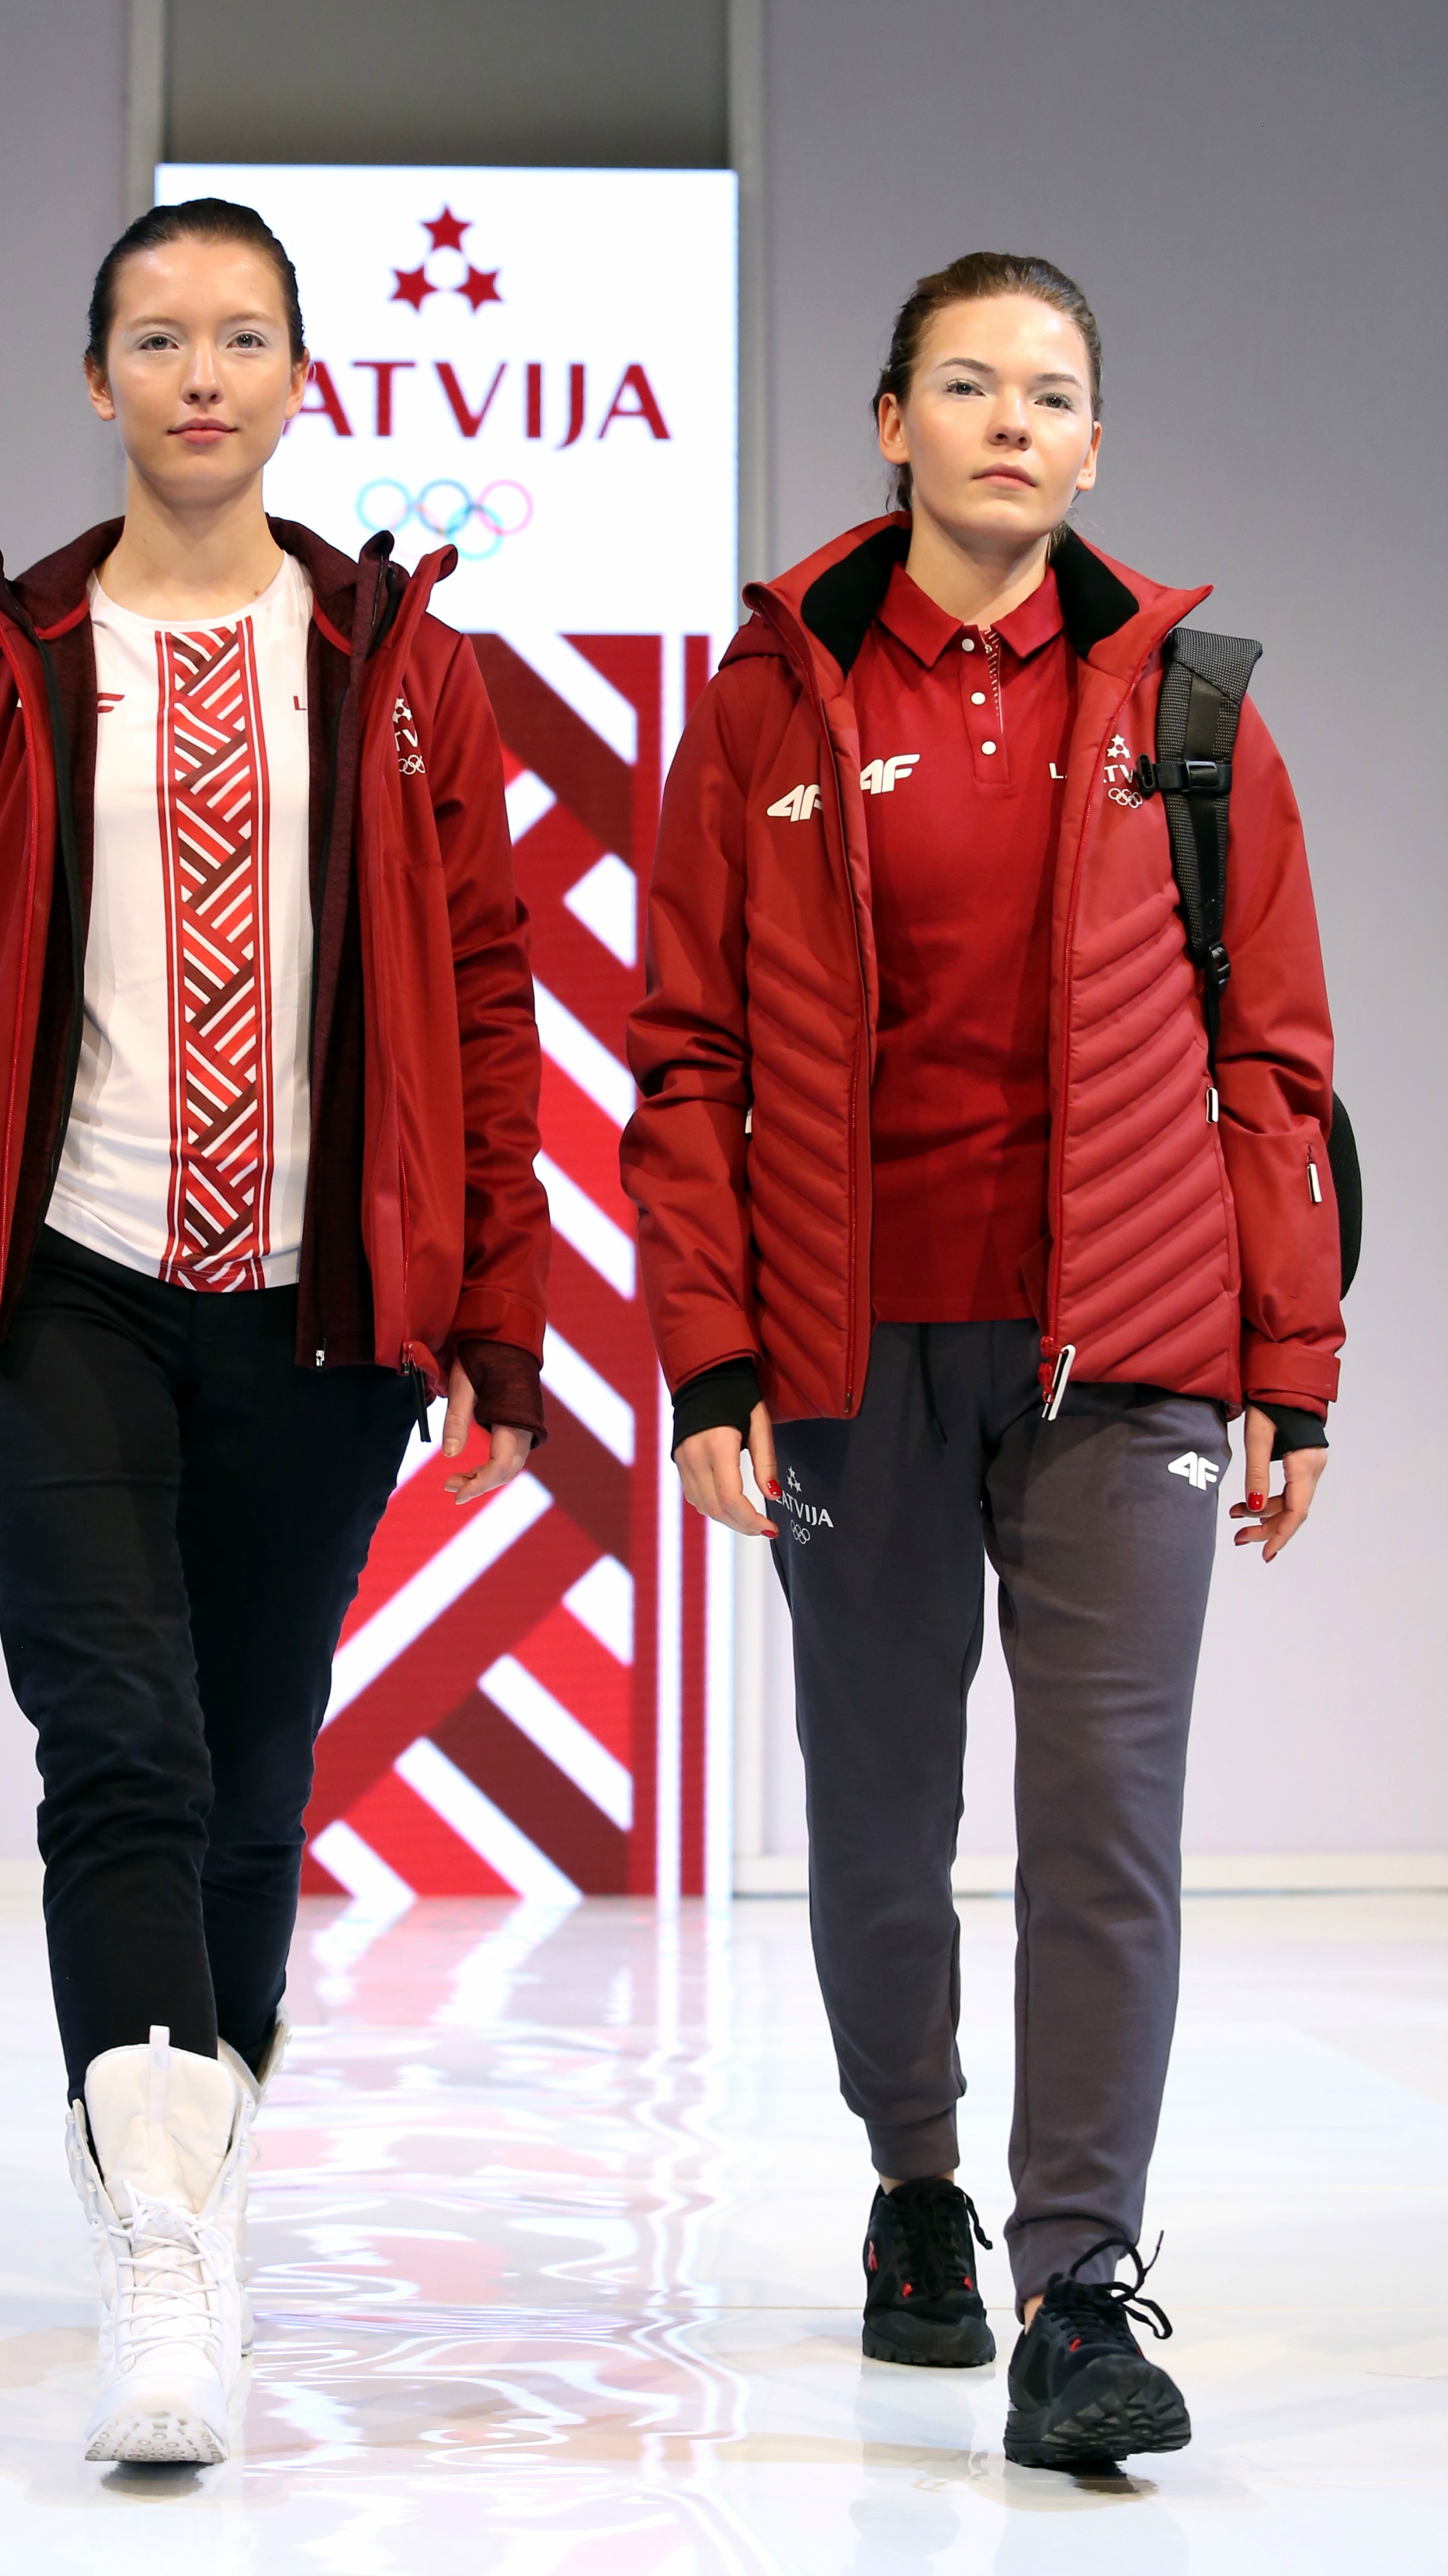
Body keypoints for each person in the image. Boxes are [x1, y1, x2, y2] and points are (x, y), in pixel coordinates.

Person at [0, 198, 549, 2467]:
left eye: (243, 338)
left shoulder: (404, 668)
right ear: (98, 378)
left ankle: (197, 2181)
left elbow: (488, 1001)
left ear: (304, 377)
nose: (202, 375)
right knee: (120, 1745)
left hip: (320, 1304)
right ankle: (160, 2251)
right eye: (158, 338)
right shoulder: (8, 661)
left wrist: (501, 1318)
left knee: (249, 1770)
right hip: (57, 1286)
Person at [623, 252, 1342, 2471]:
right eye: (967, 382)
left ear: (1096, 444)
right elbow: (687, 1057)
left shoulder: (1193, 714)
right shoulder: (770, 704)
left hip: (1129, 1349)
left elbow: (1273, 1065)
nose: (1011, 420)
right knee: (878, 1808)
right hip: (852, 1350)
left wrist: (1290, 1363)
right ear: (892, 423)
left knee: (1107, 1818)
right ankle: (916, 2180)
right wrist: (712, 1361)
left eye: (1050, 390)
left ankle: (1076, 2287)